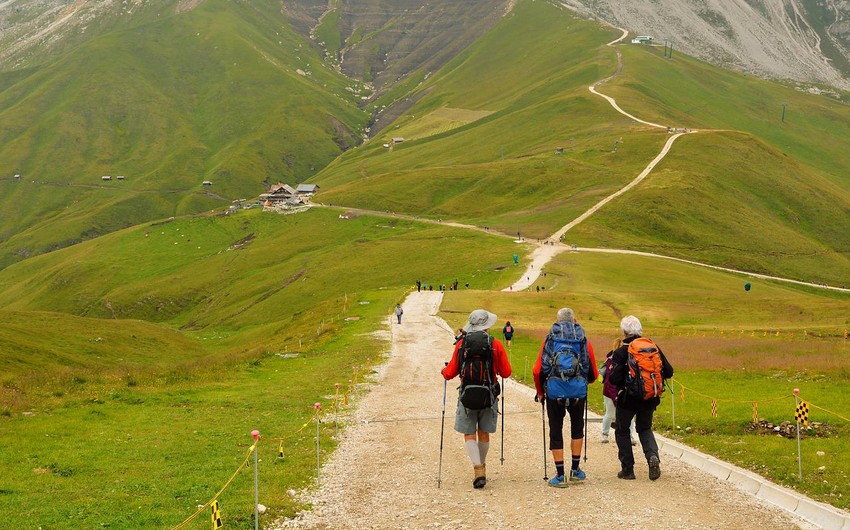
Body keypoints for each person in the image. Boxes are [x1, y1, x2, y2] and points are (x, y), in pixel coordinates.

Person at [442, 309, 512, 489]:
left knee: (469, 433)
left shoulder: (461, 344)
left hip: (467, 394)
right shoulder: (495, 344)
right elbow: (506, 372)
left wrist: (444, 371)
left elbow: (450, 373)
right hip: (489, 395)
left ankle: (478, 468)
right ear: (487, 325)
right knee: (483, 432)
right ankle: (482, 466)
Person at [533, 308, 598, 487]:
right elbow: (591, 370)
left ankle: (560, 476)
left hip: (554, 391)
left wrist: (540, 391)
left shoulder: (550, 339)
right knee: (577, 428)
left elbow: (539, 370)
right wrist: (585, 381)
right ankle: (575, 470)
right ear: (574, 320)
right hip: (578, 390)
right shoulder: (583, 339)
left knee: (556, 430)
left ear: (557, 320)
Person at [608, 315, 674, 481]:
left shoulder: (622, 352)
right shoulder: (652, 347)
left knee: (622, 431)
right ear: (640, 330)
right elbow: (669, 371)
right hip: (649, 397)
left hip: (627, 400)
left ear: (624, 332)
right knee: (644, 429)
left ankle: (628, 470)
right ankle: (652, 456)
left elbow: (613, 379)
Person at [600, 349, 637, 445]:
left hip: (624, 392)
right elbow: (609, 382)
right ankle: (605, 433)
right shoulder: (611, 361)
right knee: (610, 413)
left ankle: (630, 435)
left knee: (630, 414)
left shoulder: (630, 360)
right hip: (609, 393)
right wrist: (615, 398)